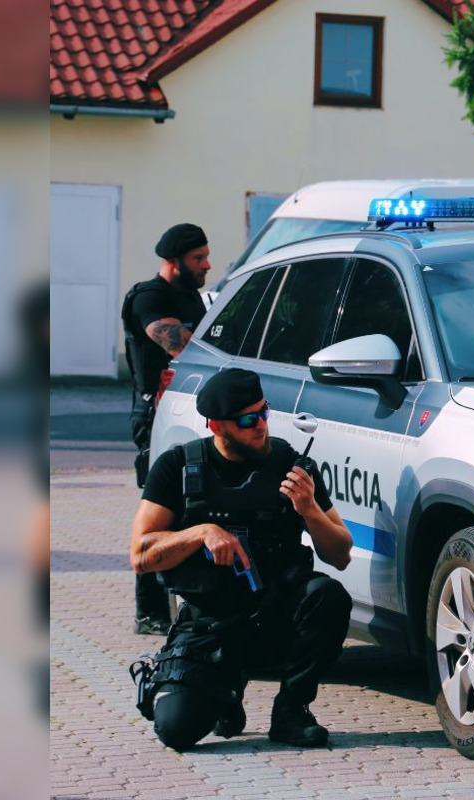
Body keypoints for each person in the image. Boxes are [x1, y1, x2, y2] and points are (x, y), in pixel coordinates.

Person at [129, 368, 353, 751]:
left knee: (328, 595)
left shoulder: (293, 465)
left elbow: (341, 554)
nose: (260, 425)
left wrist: (310, 509)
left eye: (263, 412)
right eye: (247, 420)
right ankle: (224, 694)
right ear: (216, 426)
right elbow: (142, 556)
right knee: (176, 730)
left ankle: (291, 712)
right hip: (210, 626)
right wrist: (199, 532)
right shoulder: (177, 467)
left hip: (276, 620)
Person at [122, 223, 212, 634]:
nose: (206, 264)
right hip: (155, 415)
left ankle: (189, 603)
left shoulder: (191, 296)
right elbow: (177, 344)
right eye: (198, 259)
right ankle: (150, 612)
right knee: (159, 508)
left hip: (188, 411)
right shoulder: (150, 297)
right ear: (173, 262)